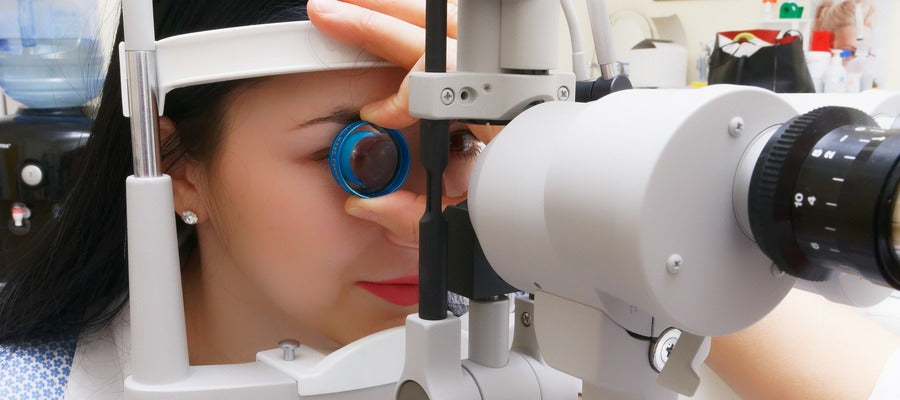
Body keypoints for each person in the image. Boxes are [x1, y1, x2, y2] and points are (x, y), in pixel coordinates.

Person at [0, 0, 897, 399]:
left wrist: (642, 217)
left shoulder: (546, 338)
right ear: (177, 162)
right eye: (368, 156)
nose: (429, 220)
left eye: (465, 145)